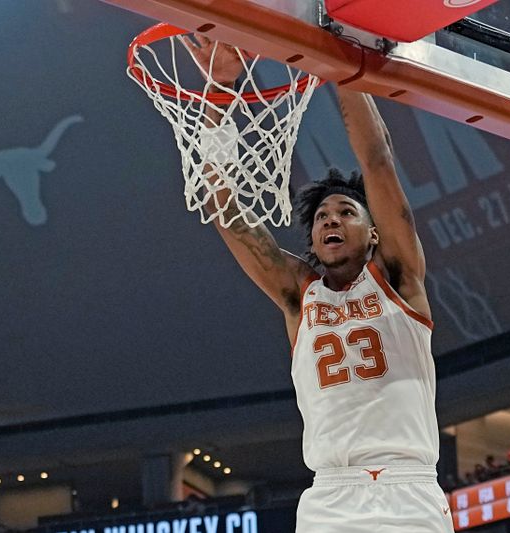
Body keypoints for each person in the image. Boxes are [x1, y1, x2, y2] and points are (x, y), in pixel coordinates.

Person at [181, 34, 453, 533]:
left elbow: (376, 160)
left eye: (345, 212)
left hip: (405, 488)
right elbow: (226, 211)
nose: (330, 220)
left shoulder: (397, 277)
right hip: (330, 495)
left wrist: (338, 61)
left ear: (373, 232)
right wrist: (219, 92)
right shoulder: (298, 294)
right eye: (322, 215)